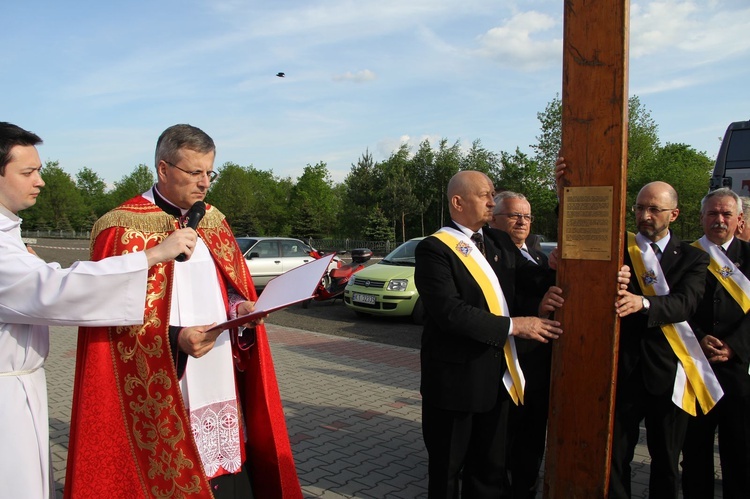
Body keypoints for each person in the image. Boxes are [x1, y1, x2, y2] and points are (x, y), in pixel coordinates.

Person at [64, 124, 301, 498]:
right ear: (163, 169)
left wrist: (243, 308)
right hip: (161, 377)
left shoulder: (214, 221)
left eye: (210, 173)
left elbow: (226, 289)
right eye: (195, 172)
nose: (205, 183)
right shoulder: (121, 227)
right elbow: (106, 318)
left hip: (218, 369)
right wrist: (175, 337)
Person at [0, 122, 197, 499]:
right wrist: (153, 255)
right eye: (28, 172)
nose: (40, 181)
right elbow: (55, 290)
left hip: (22, 385)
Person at [415, 170, 564, 498]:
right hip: (454, 383)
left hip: (497, 381)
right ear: (458, 202)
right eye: (484, 194)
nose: (491, 201)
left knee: (489, 471)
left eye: (493, 194)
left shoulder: (497, 241)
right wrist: (516, 325)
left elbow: (534, 278)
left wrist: (564, 267)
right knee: (447, 472)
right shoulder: (434, 250)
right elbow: (450, 314)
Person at [682, 188, 750, 498]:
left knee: (740, 449)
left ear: (739, 220)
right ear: (701, 219)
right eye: (712, 214)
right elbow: (674, 305)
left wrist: (735, 344)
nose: (719, 220)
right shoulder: (683, 256)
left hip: (739, 369)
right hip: (696, 365)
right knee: (695, 450)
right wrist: (697, 336)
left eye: (726, 214)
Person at [489, 190, 551, 499]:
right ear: (494, 218)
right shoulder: (487, 257)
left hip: (537, 365)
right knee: (501, 442)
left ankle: (526, 488)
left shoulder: (539, 256)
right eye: (514, 215)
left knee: (531, 439)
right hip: (503, 364)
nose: (522, 222)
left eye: (527, 216)